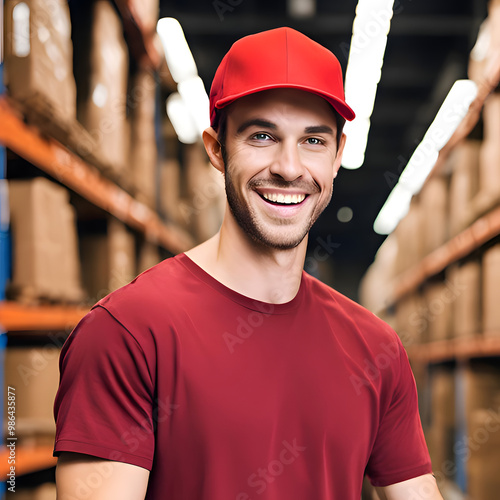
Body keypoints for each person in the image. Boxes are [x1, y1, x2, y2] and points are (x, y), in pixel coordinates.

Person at [54, 27, 443, 500]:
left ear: (339, 156)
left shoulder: (376, 349)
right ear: (217, 149)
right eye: (262, 136)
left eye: (313, 141)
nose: (289, 167)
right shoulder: (127, 333)